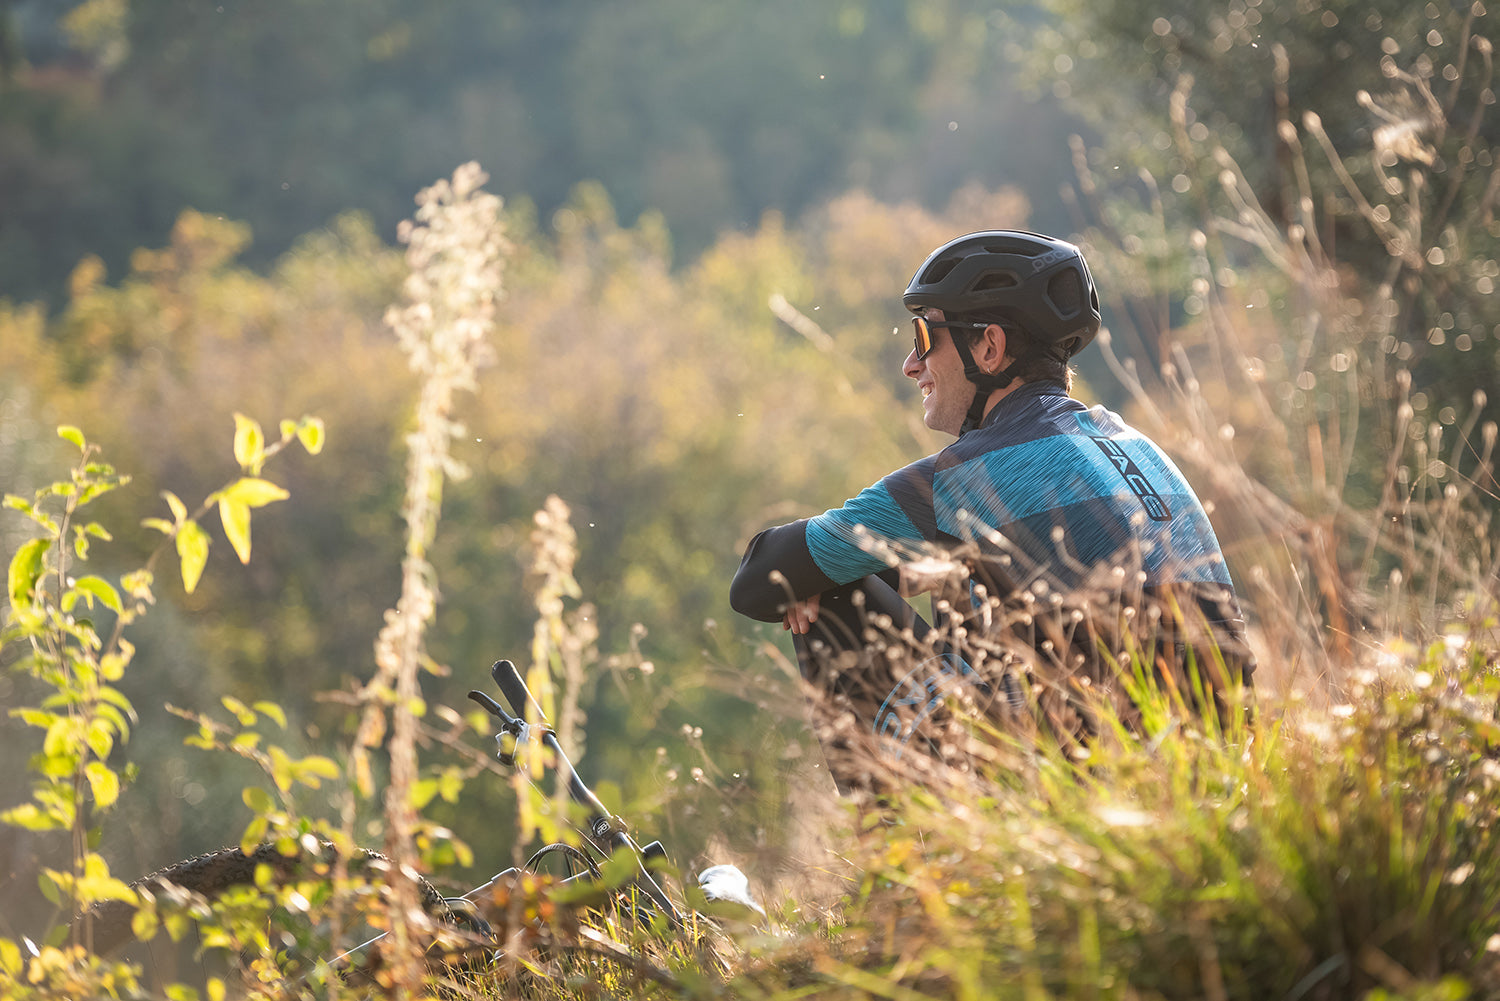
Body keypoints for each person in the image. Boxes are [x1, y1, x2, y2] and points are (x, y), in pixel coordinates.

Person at [729, 230, 1252, 782]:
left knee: (836, 599)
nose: (911, 364)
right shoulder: (1133, 444)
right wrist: (932, 571)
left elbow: (761, 579)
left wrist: (823, 580)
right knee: (962, 576)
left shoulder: (973, 472)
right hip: (1219, 777)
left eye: (925, 336)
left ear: (990, 348)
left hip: (1094, 789)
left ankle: (908, 862)